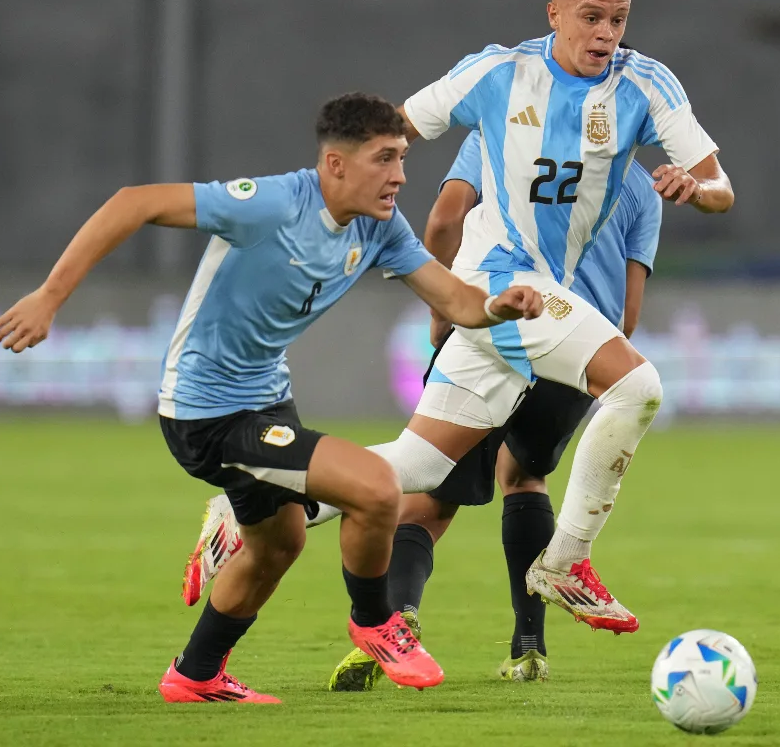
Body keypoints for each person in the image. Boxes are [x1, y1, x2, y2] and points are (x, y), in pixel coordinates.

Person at [0, 92, 543, 704]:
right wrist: (49, 297)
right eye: (384, 158)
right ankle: (374, 621)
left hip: (266, 400)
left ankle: (195, 674)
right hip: (205, 411)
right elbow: (134, 202)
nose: (400, 176)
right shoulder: (271, 204)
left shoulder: (380, 226)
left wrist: (498, 305)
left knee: (279, 544)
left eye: (402, 158)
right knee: (376, 488)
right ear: (335, 163)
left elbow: (457, 301)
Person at [306, 0, 734, 635]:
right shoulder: (499, 74)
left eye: (618, 20)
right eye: (590, 17)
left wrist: (696, 188)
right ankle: (565, 562)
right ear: (554, 13)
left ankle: (258, 497)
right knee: (638, 386)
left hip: (524, 298)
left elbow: (720, 188)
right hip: (500, 278)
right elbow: (397, 129)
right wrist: (334, 193)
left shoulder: (644, 84)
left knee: (419, 462)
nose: (605, 34)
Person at [180, 125, 662, 688]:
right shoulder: (640, 187)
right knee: (529, 475)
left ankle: (250, 509)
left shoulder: (501, 126)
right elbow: (626, 315)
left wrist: (445, 311)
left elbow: (443, 219)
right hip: (566, 340)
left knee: (425, 469)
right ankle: (537, 624)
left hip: (487, 313)